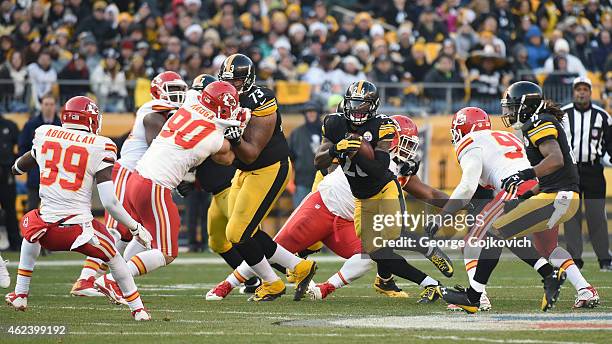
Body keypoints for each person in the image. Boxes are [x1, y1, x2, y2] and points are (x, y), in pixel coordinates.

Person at [428, 106, 597, 312]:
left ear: (463, 128)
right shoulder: (508, 136)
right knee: (547, 247)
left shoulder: (470, 141)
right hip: (539, 190)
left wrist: (442, 217)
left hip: (515, 188)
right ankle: (584, 288)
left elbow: (467, 186)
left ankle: (477, 297)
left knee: (474, 240)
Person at [93, 81, 246, 299]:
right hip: (155, 186)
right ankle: (112, 280)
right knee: (166, 252)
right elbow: (228, 156)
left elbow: (196, 90)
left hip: (137, 178)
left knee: (142, 236)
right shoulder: (211, 137)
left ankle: (118, 281)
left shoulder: (190, 103)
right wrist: (236, 132)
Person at [6, 96, 151, 321]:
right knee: (114, 258)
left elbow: (24, 162)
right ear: (89, 119)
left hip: (46, 230)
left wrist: (15, 168)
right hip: (80, 231)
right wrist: (134, 227)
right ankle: (139, 309)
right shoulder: (100, 145)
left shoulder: (46, 133)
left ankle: (21, 293)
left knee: (30, 234)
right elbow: (110, 203)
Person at [313, 80, 451, 303]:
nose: (357, 109)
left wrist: (355, 151)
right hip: (355, 198)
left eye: (363, 105)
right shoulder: (335, 124)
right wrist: (336, 149)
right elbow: (320, 162)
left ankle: (421, 254)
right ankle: (427, 283)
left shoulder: (382, 131)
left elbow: (381, 170)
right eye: (354, 104)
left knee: (391, 236)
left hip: (384, 189)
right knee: (377, 252)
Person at [70, 71, 187, 297]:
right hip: (127, 172)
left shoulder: (170, 113)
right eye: (173, 91)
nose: (178, 96)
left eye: (181, 91)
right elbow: (157, 145)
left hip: (140, 177)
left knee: (135, 235)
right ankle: (85, 280)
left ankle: (114, 279)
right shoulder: (152, 110)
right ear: (157, 91)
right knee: (115, 231)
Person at [218, 54, 317, 302]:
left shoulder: (262, 99)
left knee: (238, 233)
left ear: (249, 80)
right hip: (243, 170)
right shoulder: (222, 98)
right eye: (229, 80)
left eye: (238, 80)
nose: (234, 86)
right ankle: (299, 266)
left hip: (269, 167)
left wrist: (235, 137)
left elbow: (250, 153)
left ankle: (272, 283)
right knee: (245, 230)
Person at [562, 77, 612, 271]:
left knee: (596, 215)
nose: (581, 92)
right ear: (574, 92)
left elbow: (610, 142)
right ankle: (575, 259)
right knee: (571, 216)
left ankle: (604, 259)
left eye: (585, 89)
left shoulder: (602, 115)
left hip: (593, 170)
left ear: (591, 92)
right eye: (578, 89)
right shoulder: (563, 114)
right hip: (570, 171)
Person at [18, 94, 61, 212]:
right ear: (41, 106)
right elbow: (23, 147)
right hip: (35, 176)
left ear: (55, 106)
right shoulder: (31, 124)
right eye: (46, 104)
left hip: (56, 178)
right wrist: (30, 164)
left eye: (51, 104)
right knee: (32, 209)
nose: (48, 107)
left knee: (54, 211)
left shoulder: (62, 127)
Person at [288, 102, 321, 207]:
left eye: (313, 111)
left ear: (318, 113)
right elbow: (289, 158)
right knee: (300, 214)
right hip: (302, 182)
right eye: (308, 112)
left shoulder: (326, 132)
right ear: (305, 114)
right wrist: (289, 181)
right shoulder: (297, 133)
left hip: (324, 183)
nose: (311, 114)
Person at [0, 111, 19, 252]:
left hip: (6, 174)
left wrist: (13, 163)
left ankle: (15, 242)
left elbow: (21, 146)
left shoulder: (10, 126)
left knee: (10, 209)